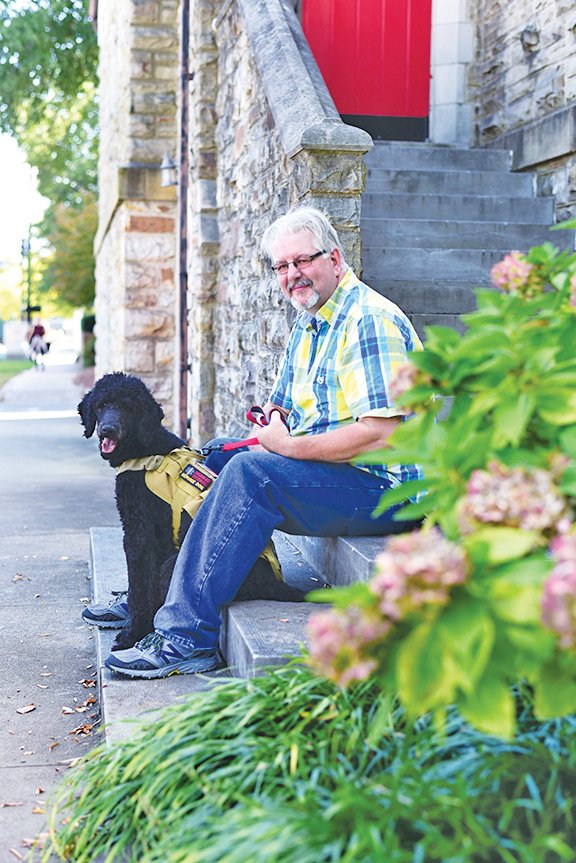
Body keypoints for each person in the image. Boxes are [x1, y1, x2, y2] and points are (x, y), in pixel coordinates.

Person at [104, 207, 424, 678]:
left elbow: (381, 434)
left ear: (335, 258)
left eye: (302, 261)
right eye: (281, 266)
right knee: (213, 453)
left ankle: (182, 635)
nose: (292, 274)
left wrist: (284, 448)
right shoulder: (312, 321)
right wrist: (275, 423)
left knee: (252, 474)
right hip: (341, 477)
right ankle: (156, 588)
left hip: (385, 492)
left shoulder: (367, 320)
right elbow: (283, 408)